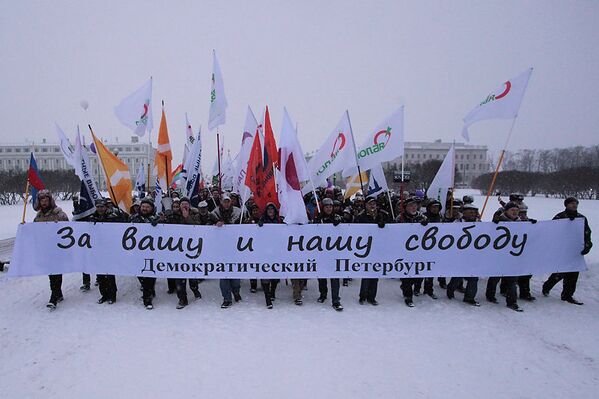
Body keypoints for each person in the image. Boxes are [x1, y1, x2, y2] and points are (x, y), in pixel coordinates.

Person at [542, 197, 593, 305]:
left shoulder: (581, 218)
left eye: (576, 203)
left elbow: (587, 232)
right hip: (563, 250)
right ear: (566, 205)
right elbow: (551, 231)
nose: (574, 205)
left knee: (573, 274)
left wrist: (587, 245)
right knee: (561, 272)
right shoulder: (559, 217)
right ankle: (547, 286)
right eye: (572, 203)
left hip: (575, 251)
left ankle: (567, 295)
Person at [486, 201, 523, 312]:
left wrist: (531, 225)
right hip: (499, 256)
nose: (515, 212)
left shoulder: (521, 222)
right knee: (495, 278)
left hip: (513, 256)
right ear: (506, 211)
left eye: (517, 211)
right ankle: (490, 295)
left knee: (512, 281)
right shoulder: (499, 221)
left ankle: (512, 302)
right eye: (512, 210)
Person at [35, 190, 69, 309]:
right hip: (46, 250)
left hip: (58, 249)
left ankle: (53, 297)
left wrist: (59, 225)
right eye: (41, 200)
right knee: (51, 273)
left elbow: (68, 228)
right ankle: (57, 292)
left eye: (46, 200)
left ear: (50, 200)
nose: (44, 202)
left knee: (56, 272)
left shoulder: (59, 213)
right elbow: (35, 231)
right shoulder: (39, 216)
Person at [397, 197, 431, 307]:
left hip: (419, 251)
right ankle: (408, 296)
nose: (413, 207)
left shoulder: (423, 217)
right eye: (410, 205)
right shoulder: (400, 218)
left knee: (418, 274)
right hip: (404, 251)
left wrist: (426, 226)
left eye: (415, 205)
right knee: (407, 273)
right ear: (405, 207)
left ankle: (409, 286)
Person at [89, 198, 124, 304]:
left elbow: (119, 226)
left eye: (102, 207)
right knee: (100, 275)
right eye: (98, 207)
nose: (100, 209)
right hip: (98, 249)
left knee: (109, 273)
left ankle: (112, 295)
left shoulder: (112, 216)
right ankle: (104, 294)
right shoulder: (92, 217)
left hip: (110, 249)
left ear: (106, 207)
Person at [357, 196, 390, 305]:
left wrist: (384, 226)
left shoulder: (383, 215)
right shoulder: (360, 217)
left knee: (375, 273)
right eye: (370, 204)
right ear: (365, 205)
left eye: (374, 204)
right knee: (366, 273)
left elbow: (393, 226)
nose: (372, 206)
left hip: (379, 248)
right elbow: (355, 229)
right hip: (365, 248)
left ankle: (372, 297)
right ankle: (363, 296)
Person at [313, 198, 344, 311]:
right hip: (321, 253)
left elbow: (345, 229)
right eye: (327, 207)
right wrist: (317, 223)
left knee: (334, 277)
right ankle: (323, 294)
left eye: (330, 206)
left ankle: (336, 300)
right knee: (321, 276)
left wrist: (338, 223)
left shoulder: (336, 218)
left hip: (334, 252)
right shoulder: (318, 218)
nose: (329, 208)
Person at [212, 193, 243, 308]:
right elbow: (208, 226)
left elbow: (245, 224)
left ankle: (236, 292)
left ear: (231, 202)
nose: (226, 203)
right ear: (221, 202)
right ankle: (226, 298)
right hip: (221, 250)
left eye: (228, 201)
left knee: (235, 275)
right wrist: (215, 224)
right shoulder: (215, 213)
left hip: (235, 248)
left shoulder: (238, 211)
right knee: (224, 275)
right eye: (224, 201)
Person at [447, 203, 480, 306]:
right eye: (470, 212)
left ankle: (469, 297)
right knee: (458, 275)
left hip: (474, 255)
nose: (472, 214)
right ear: (463, 213)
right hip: (460, 255)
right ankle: (450, 289)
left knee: (474, 277)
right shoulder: (457, 223)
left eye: (474, 212)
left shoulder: (480, 224)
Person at [130, 197, 160, 310]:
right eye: (143, 206)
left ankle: (147, 299)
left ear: (151, 208)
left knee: (150, 274)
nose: (145, 209)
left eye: (147, 207)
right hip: (138, 251)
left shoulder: (156, 218)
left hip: (152, 252)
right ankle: (149, 288)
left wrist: (158, 223)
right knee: (140, 273)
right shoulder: (134, 218)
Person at [256, 202, 282, 309]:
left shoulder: (280, 221)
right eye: (268, 209)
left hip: (276, 252)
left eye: (272, 209)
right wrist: (259, 226)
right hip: (264, 252)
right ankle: (267, 299)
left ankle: (272, 292)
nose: (270, 211)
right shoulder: (262, 221)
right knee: (265, 275)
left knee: (275, 276)